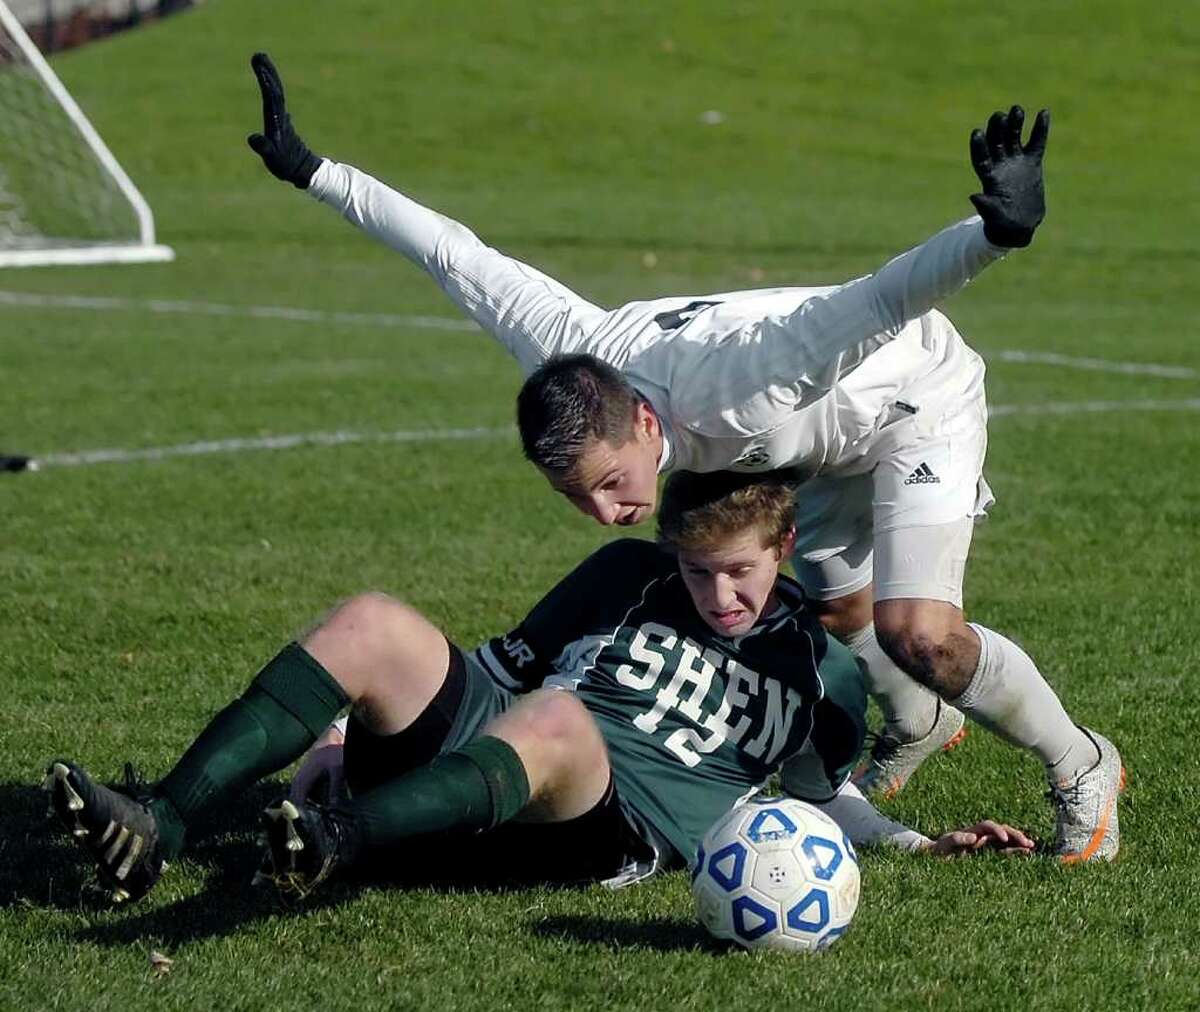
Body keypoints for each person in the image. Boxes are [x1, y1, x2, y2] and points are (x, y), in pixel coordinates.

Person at [244, 55, 1122, 862]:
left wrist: (996, 236)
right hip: (820, 444)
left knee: (917, 633)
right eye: (576, 494)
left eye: (610, 484)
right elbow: (455, 257)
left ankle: (1082, 765)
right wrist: (314, 171)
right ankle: (920, 727)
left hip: (912, 404)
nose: (605, 515)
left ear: (643, 424)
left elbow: (884, 298)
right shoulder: (576, 359)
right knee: (837, 617)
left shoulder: (754, 379)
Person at [45, 472, 1032, 905]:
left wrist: (921, 843)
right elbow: (493, 674)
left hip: (605, 826)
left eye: (739, 570)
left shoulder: (829, 679)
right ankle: (161, 823)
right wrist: (341, 732)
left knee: (558, 720)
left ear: (782, 548)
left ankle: (338, 846)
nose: (718, 594)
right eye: (696, 571)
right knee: (376, 619)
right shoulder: (619, 578)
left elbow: (824, 797)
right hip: (491, 752)